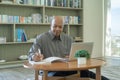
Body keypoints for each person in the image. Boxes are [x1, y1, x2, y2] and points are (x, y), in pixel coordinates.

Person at [28, 16, 109, 80]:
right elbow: (31, 54)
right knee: (57, 77)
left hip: (68, 69)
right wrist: (34, 57)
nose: (57, 29)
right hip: (50, 72)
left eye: (60, 27)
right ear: (50, 25)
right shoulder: (41, 38)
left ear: (63, 27)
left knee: (86, 72)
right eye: (55, 26)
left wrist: (73, 57)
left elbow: (75, 55)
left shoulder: (69, 39)